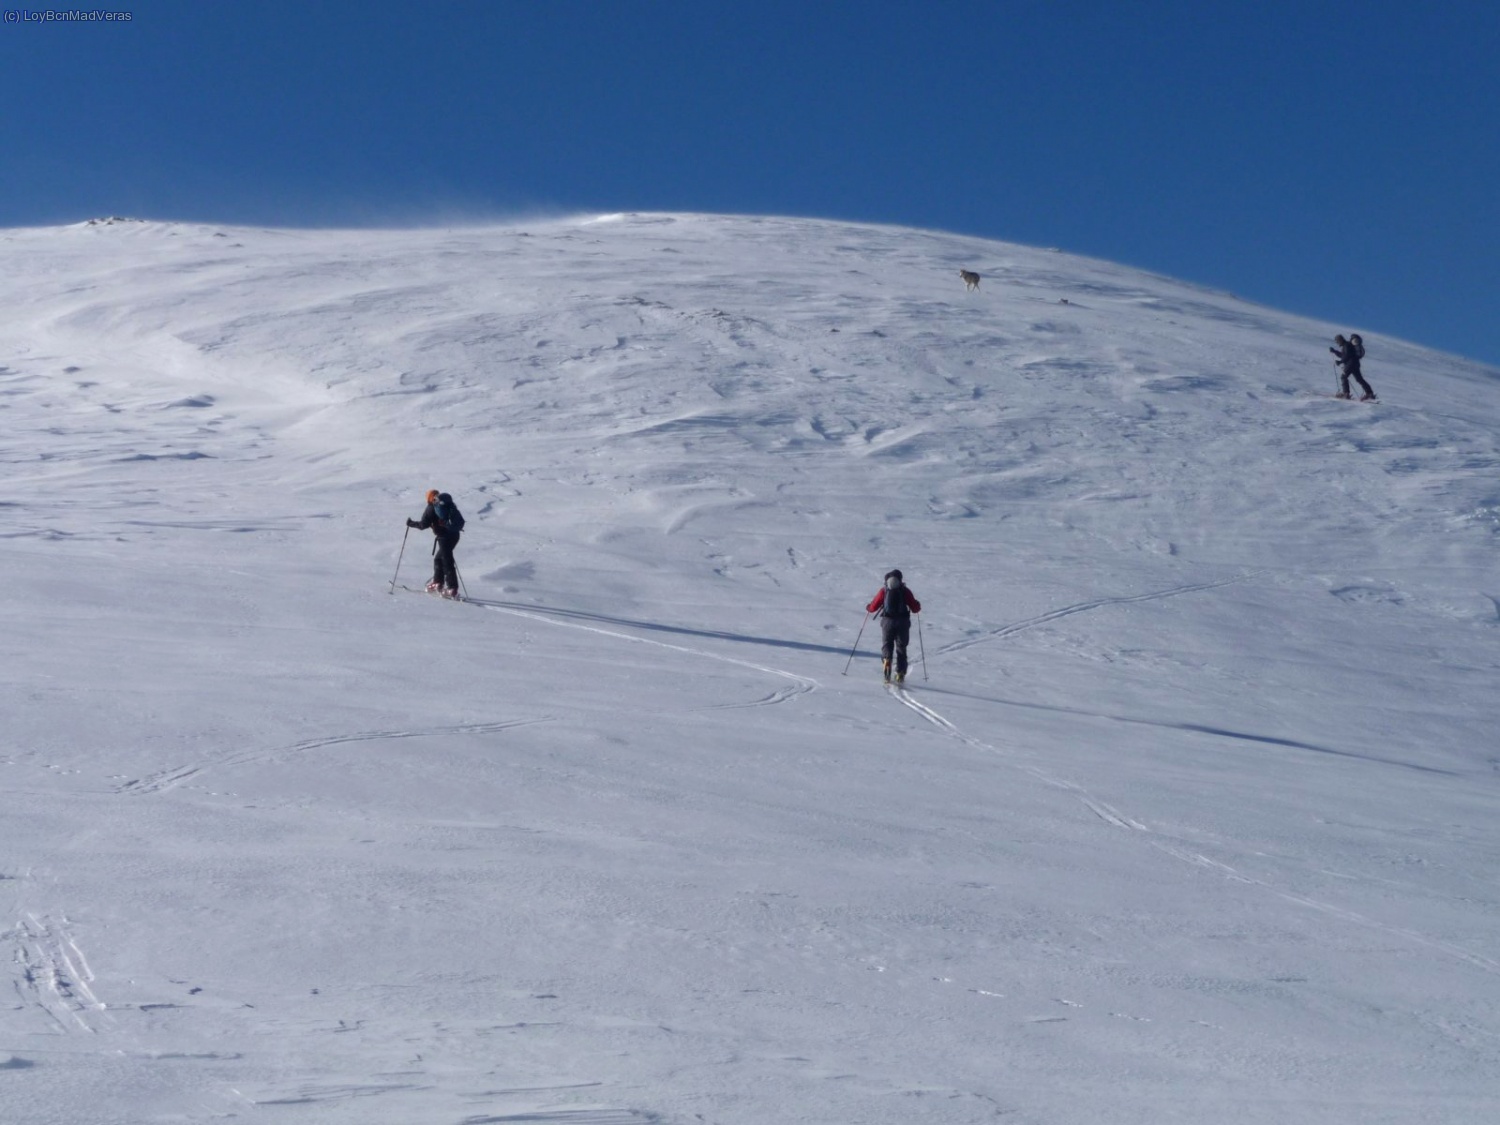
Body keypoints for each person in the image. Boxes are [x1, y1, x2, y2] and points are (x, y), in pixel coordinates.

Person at [406, 488, 464, 598]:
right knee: (440, 558)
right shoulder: (447, 504)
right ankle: (438, 582)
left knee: (447, 560)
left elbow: (423, 525)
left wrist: (411, 523)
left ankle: (452, 588)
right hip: (455, 535)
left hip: (444, 537)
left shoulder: (431, 508)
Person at [866, 569, 921, 683]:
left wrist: (868, 607)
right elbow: (915, 609)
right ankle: (900, 673)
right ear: (900, 580)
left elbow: (873, 607)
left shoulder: (884, 591)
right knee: (901, 647)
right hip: (903, 622)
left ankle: (887, 660)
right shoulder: (905, 591)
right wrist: (917, 605)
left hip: (887, 622)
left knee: (887, 644)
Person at [1329, 333, 1376, 401]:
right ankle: (1369, 393)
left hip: (1351, 364)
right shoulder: (1347, 345)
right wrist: (1334, 351)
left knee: (1344, 377)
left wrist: (1340, 362)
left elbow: (1347, 356)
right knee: (1359, 379)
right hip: (1355, 364)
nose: (1337, 343)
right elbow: (1343, 355)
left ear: (1340, 340)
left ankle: (1346, 394)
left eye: (1337, 341)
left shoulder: (1347, 345)